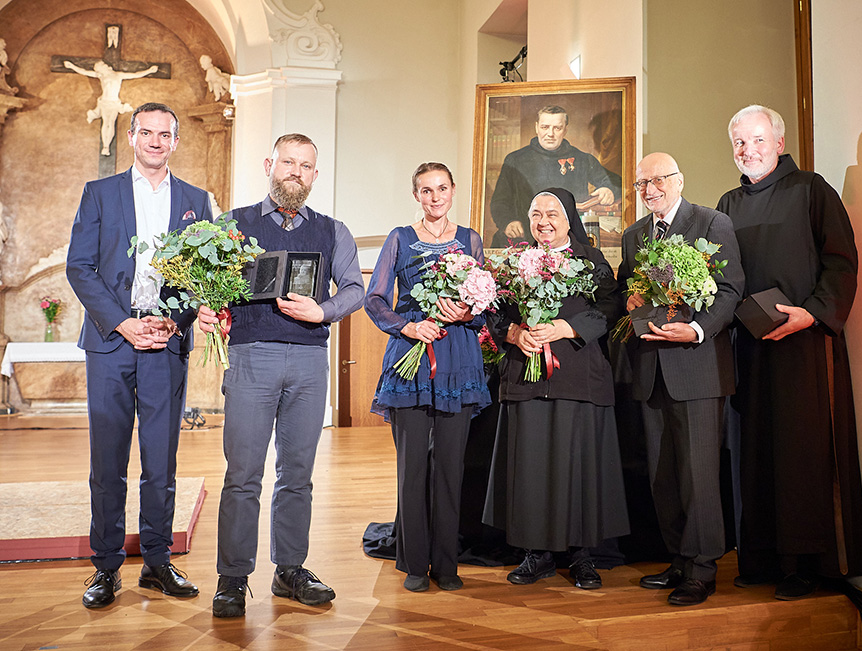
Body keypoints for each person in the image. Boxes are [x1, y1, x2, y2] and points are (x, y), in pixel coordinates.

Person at [197, 133, 364, 618]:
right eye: (288, 161)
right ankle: (232, 577)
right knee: (244, 473)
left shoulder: (334, 231)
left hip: (310, 361)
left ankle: (290, 570)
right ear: (270, 164)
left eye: (305, 165)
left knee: (298, 475)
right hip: (252, 357)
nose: (296, 171)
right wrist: (207, 307)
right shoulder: (232, 225)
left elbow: (354, 287)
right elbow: (208, 286)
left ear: (315, 174)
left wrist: (324, 311)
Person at [717, 104, 862, 600]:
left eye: (758, 140)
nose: (748, 151)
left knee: (802, 452)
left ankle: (808, 564)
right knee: (754, 451)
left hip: (805, 346)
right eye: (740, 142)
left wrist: (813, 313)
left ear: (779, 143)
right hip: (750, 348)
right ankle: (760, 556)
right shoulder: (728, 203)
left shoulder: (811, 190)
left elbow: (841, 262)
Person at [66, 102, 211, 609]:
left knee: (161, 461)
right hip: (110, 342)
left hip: (165, 344)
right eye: (146, 132)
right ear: (131, 137)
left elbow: (205, 275)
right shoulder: (99, 194)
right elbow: (80, 268)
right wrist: (125, 323)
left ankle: (156, 560)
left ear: (175, 141)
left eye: (164, 134)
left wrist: (174, 320)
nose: (155, 140)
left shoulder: (197, 200)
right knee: (108, 462)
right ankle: (105, 567)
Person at [483, 187, 629, 590]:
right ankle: (537, 553)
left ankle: (582, 556)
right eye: (535, 214)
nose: (543, 221)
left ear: (569, 220)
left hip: (577, 377)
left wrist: (568, 327)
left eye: (552, 213)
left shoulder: (592, 259)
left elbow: (611, 308)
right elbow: (494, 312)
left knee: (579, 465)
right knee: (531, 467)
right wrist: (512, 333)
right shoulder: (514, 262)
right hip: (526, 378)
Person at [617, 153, 744, 606]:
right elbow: (627, 294)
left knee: (698, 475)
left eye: (658, 180)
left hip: (697, 368)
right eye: (641, 184)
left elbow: (730, 291)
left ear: (678, 181)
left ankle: (704, 567)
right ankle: (678, 558)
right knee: (662, 475)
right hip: (651, 371)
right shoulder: (634, 236)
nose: (650, 190)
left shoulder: (711, 223)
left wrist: (695, 329)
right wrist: (630, 305)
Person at [364, 162, 491, 592]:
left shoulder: (471, 239)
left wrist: (469, 311)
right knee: (413, 467)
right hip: (412, 359)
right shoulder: (399, 238)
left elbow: (486, 307)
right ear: (415, 195)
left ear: (453, 190)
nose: (434, 198)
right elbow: (376, 298)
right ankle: (416, 564)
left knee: (450, 468)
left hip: (458, 358)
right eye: (425, 191)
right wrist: (408, 326)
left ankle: (447, 565)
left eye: (441, 189)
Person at [488, 105, 619, 246]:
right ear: (536, 127)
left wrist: (609, 189)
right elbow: (500, 201)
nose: (550, 133)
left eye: (557, 128)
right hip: (526, 238)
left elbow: (616, 181)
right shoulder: (515, 160)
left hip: (569, 241)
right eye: (545, 127)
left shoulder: (582, 159)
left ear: (565, 129)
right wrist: (508, 222)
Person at [62, 59, 159, 155]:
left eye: (101, 67)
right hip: (104, 102)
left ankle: (107, 146)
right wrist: (72, 66)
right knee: (106, 123)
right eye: (99, 68)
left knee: (110, 123)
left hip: (113, 103)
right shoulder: (101, 76)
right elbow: (85, 72)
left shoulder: (118, 75)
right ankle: (105, 146)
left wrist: (149, 70)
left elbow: (135, 74)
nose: (101, 69)